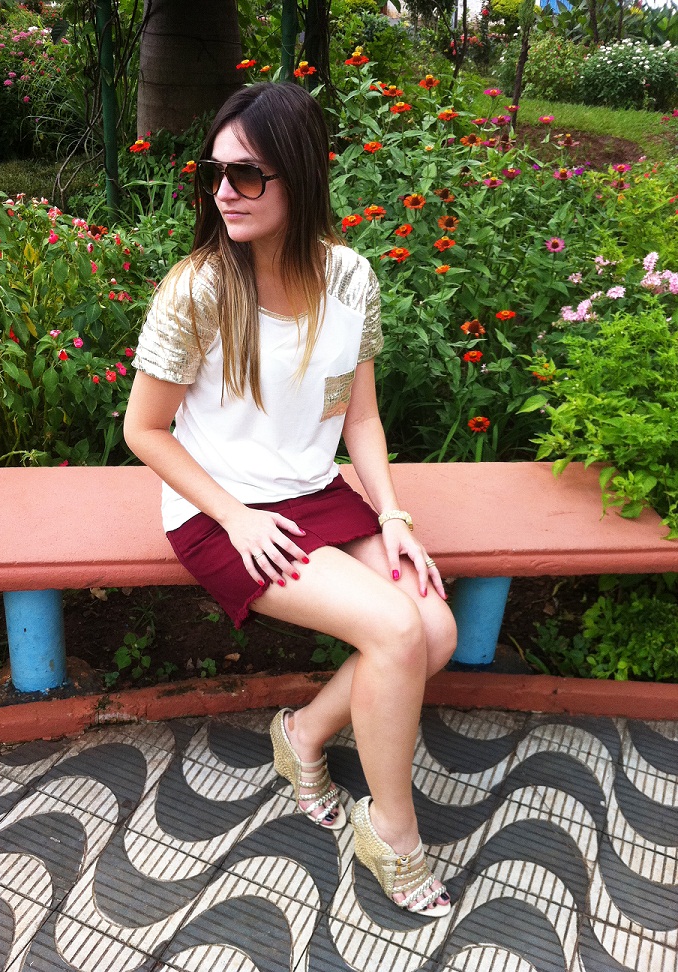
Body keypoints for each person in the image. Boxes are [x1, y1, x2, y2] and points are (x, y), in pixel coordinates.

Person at [124, 81, 457, 915]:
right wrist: (235, 516)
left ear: (301, 174)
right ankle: (394, 832)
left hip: (314, 491)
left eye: (247, 175)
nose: (224, 192)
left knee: (435, 630)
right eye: (214, 173)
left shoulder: (350, 278)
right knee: (395, 629)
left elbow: (362, 417)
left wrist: (393, 516)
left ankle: (303, 732)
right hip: (222, 513)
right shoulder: (198, 290)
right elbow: (144, 431)